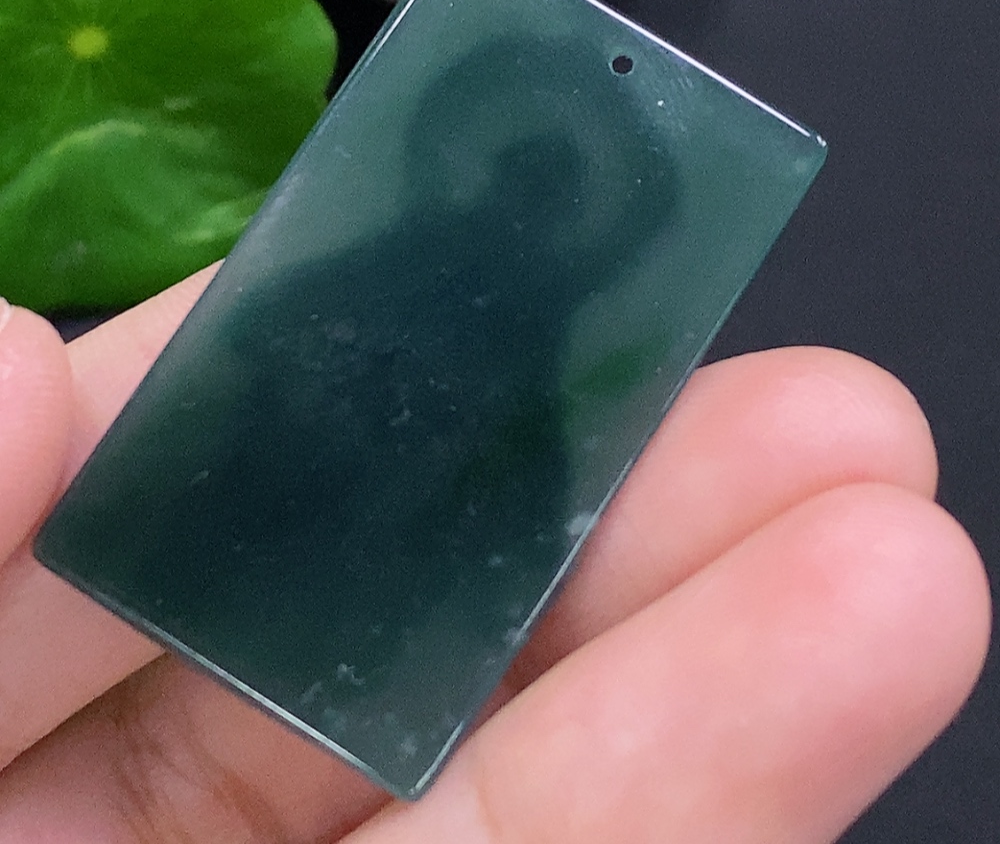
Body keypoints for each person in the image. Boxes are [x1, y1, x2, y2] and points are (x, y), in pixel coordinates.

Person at [0, 265, 988, 842]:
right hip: (275, 519)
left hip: (379, 578)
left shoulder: (534, 347)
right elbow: (267, 347)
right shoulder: (386, 280)